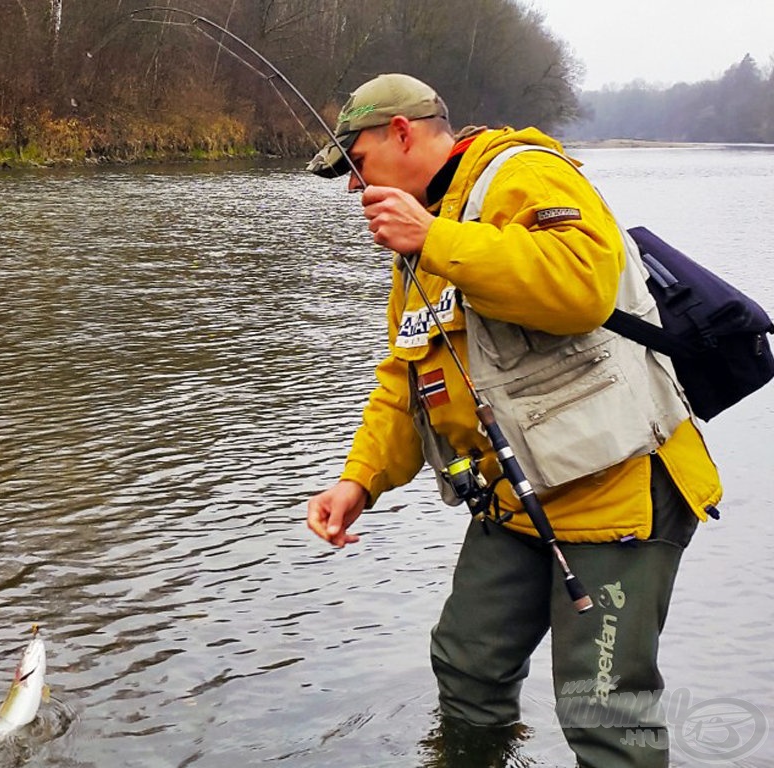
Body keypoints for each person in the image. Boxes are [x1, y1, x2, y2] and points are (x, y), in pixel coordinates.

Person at [304, 73, 722, 768]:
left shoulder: (522, 172)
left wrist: (437, 240)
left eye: (356, 162)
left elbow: (582, 284)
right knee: (466, 671)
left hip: (616, 494)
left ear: (401, 134)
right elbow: (408, 377)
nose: (353, 186)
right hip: (515, 503)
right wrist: (359, 481)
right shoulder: (421, 240)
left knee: (603, 709)